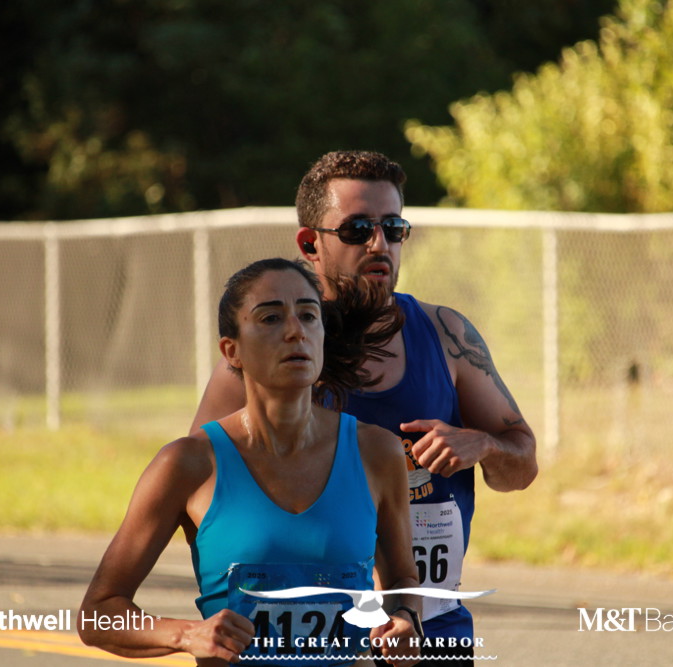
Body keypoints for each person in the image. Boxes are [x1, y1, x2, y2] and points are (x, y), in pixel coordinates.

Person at [191, 151, 538, 665]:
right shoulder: (270, 353)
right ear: (310, 244)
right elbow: (198, 495)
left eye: (393, 228)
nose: (379, 244)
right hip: (317, 644)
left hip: (430, 633)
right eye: (357, 230)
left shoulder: (446, 335)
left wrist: (483, 444)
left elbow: (523, 467)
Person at [81, 258, 422, 667]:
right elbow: (98, 614)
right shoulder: (189, 464)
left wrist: (406, 619)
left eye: (308, 316)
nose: (295, 331)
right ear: (233, 350)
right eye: (271, 318)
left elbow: (402, 579)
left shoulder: (377, 452)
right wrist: (187, 634)